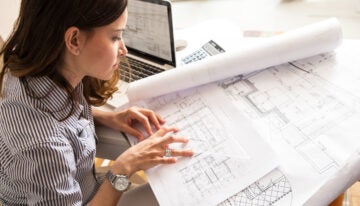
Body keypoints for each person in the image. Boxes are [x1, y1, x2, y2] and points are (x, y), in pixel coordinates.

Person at [0, 0, 194, 205]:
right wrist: (123, 169)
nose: (124, 50)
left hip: (81, 184)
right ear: (74, 40)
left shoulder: (31, 65)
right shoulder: (43, 147)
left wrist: (108, 117)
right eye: (115, 37)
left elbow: (58, 115)